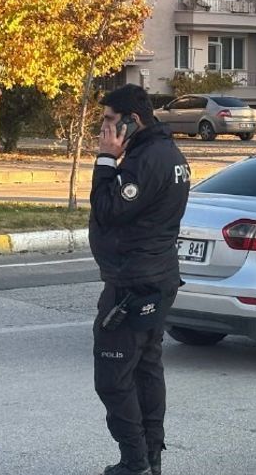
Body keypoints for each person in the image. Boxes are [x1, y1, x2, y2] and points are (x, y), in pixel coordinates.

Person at [90, 84, 190, 475]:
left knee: (114, 378)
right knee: (147, 369)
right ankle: (150, 459)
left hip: (133, 284)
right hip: (155, 277)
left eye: (110, 122)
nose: (104, 131)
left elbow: (107, 209)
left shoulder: (146, 159)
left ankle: (135, 461)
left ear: (133, 121)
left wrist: (104, 160)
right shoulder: (165, 152)